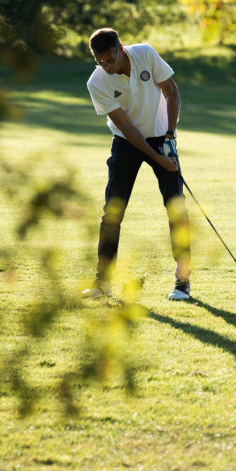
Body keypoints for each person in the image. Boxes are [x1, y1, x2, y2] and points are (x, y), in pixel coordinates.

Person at [83, 28, 192, 301]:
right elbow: (127, 128)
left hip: (161, 137)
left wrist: (170, 137)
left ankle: (182, 280)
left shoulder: (144, 53)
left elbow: (172, 92)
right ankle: (103, 282)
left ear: (121, 48)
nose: (106, 66)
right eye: (100, 62)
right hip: (125, 143)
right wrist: (159, 160)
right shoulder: (97, 83)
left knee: (175, 206)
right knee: (112, 212)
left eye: (109, 59)